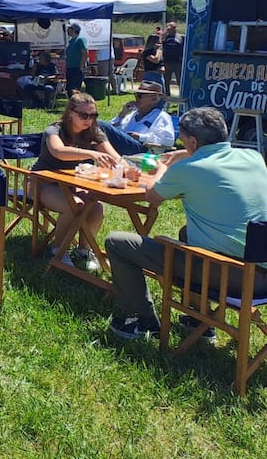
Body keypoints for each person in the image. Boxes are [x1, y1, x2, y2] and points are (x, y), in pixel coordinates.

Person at [106, 107, 267, 340]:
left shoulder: (187, 170)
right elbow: (213, 159)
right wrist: (185, 153)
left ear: (192, 141)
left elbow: (152, 197)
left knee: (117, 242)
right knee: (186, 233)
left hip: (231, 276)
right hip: (262, 272)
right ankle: (198, 318)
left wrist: (161, 168)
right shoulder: (253, 157)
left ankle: (141, 320)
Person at [30, 92, 120, 271]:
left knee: (96, 207)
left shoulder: (94, 132)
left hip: (71, 183)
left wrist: (131, 167)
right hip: (42, 182)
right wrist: (91, 153)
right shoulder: (54, 130)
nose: (89, 120)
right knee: (75, 205)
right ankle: (58, 249)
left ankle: (84, 250)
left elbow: (115, 157)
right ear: (70, 113)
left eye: (94, 115)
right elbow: (59, 151)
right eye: (84, 115)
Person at [99, 81, 176, 155]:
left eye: (140, 96)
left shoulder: (161, 116)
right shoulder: (132, 114)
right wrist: (122, 114)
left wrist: (140, 137)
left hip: (142, 149)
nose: (136, 98)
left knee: (100, 124)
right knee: (95, 129)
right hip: (125, 145)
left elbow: (168, 140)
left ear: (154, 99)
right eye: (135, 95)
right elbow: (114, 130)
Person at [64, 22, 88, 95]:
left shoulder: (80, 39)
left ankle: (76, 104)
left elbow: (84, 52)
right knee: (69, 88)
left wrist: (81, 66)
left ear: (74, 30)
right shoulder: (71, 41)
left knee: (74, 89)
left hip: (76, 68)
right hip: (69, 68)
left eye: (69, 28)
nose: (67, 30)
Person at [161, 22, 183, 95]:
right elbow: (161, 39)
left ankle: (181, 94)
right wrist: (166, 31)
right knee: (166, 80)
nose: (169, 30)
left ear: (175, 28)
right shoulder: (166, 37)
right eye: (168, 28)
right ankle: (167, 95)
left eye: (171, 28)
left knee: (179, 80)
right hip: (167, 62)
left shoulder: (180, 37)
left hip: (177, 62)